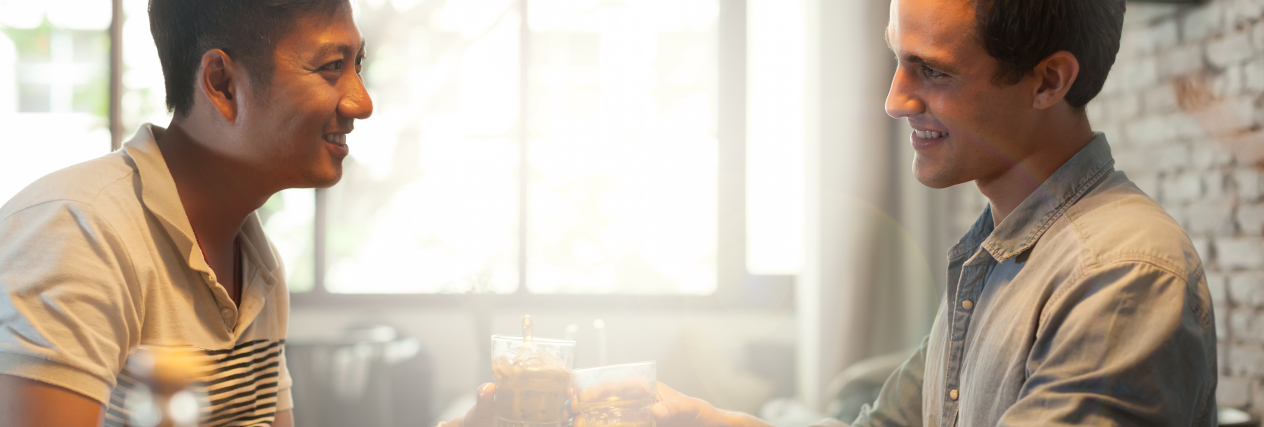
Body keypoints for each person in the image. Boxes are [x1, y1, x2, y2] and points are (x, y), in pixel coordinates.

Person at [448, 0, 1218, 425]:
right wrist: (692, 418)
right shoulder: (997, 252)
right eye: (895, 58)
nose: (894, 99)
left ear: (1048, 81)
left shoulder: (1120, 276)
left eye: (931, 71)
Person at [0, 0, 372, 425]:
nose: (362, 103)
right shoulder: (77, 234)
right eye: (331, 66)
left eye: (358, 64)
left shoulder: (258, 265)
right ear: (222, 83)